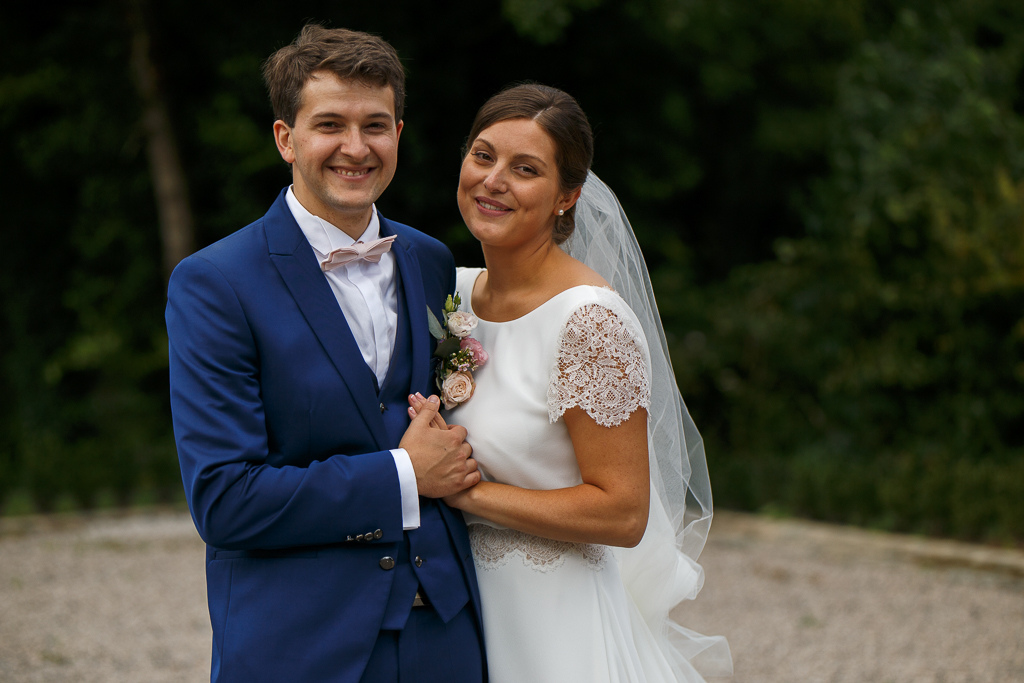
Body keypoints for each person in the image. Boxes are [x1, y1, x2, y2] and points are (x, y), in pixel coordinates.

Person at [165, 26, 486, 683]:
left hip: (446, 635)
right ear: (285, 137)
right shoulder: (215, 282)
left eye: (375, 124)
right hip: (301, 643)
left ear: (399, 131)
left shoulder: (430, 260)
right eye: (330, 124)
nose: (355, 147)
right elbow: (225, 499)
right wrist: (403, 473)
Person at [410, 84, 733, 682]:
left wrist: (465, 494)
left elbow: (623, 512)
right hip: (454, 620)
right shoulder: (450, 291)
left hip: (553, 629)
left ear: (567, 196)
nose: (493, 180)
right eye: (483, 156)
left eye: (525, 169)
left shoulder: (589, 322)